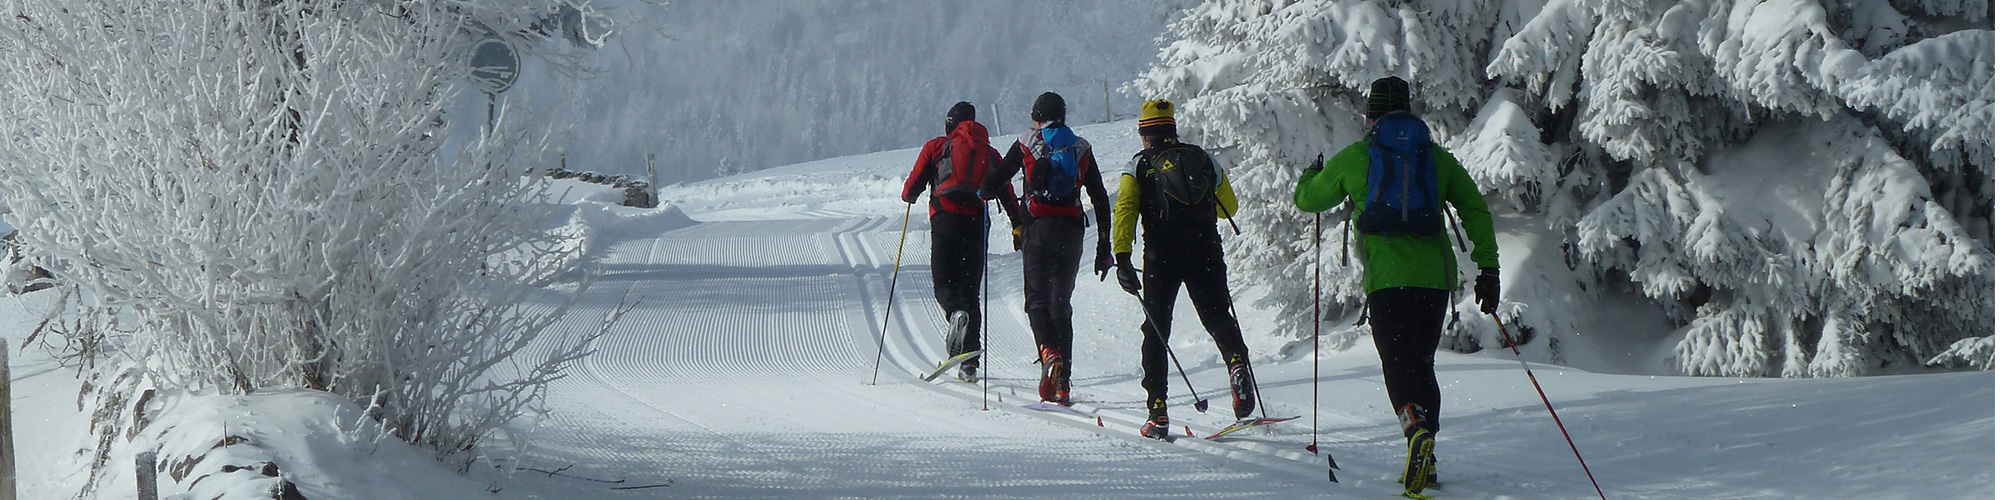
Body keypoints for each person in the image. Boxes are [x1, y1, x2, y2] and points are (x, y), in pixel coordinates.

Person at [1292, 76, 1501, 494]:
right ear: (1409, 111)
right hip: (1434, 281)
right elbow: (1475, 209)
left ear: (1369, 116)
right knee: (1422, 362)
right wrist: (1489, 269)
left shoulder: (1357, 157)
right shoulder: (1436, 159)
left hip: (1387, 281)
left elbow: (1309, 201)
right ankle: (1429, 452)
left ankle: (1415, 431)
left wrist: (1309, 175)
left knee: (1397, 364)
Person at [1109, 99, 1257, 439]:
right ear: (1173, 129)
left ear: (1144, 134)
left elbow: (1126, 210)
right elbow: (1228, 207)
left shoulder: (1139, 166)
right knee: (1218, 316)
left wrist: (1122, 256)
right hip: (1205, 249)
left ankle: (1158, 412)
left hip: (1162, 255)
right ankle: (1236, 362)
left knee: (1157, 330)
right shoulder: (1203, 159)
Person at [979, 92, 1113, 406]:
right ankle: (1063, 382)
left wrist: (984, 190)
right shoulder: (1081, 147)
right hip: (1071, 231)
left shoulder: (1027, 141)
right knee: (1061, 303)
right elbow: (1100, 198)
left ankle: (1048, 351)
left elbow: (994, 182)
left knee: (1036, 301)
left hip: (1037, 228)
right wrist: (1104, 245)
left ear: (1037, 116)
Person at [901, 102, 1020, 383]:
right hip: (976, 224)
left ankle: (955, 312)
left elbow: (910, 189)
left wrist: (911, 195)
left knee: (945, 284)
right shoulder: (989, 153)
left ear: (949, 124)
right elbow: (1007, 192)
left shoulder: (937, 147)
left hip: (945, 220)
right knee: (971, 292)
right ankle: (970, 365)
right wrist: (1018, 225)